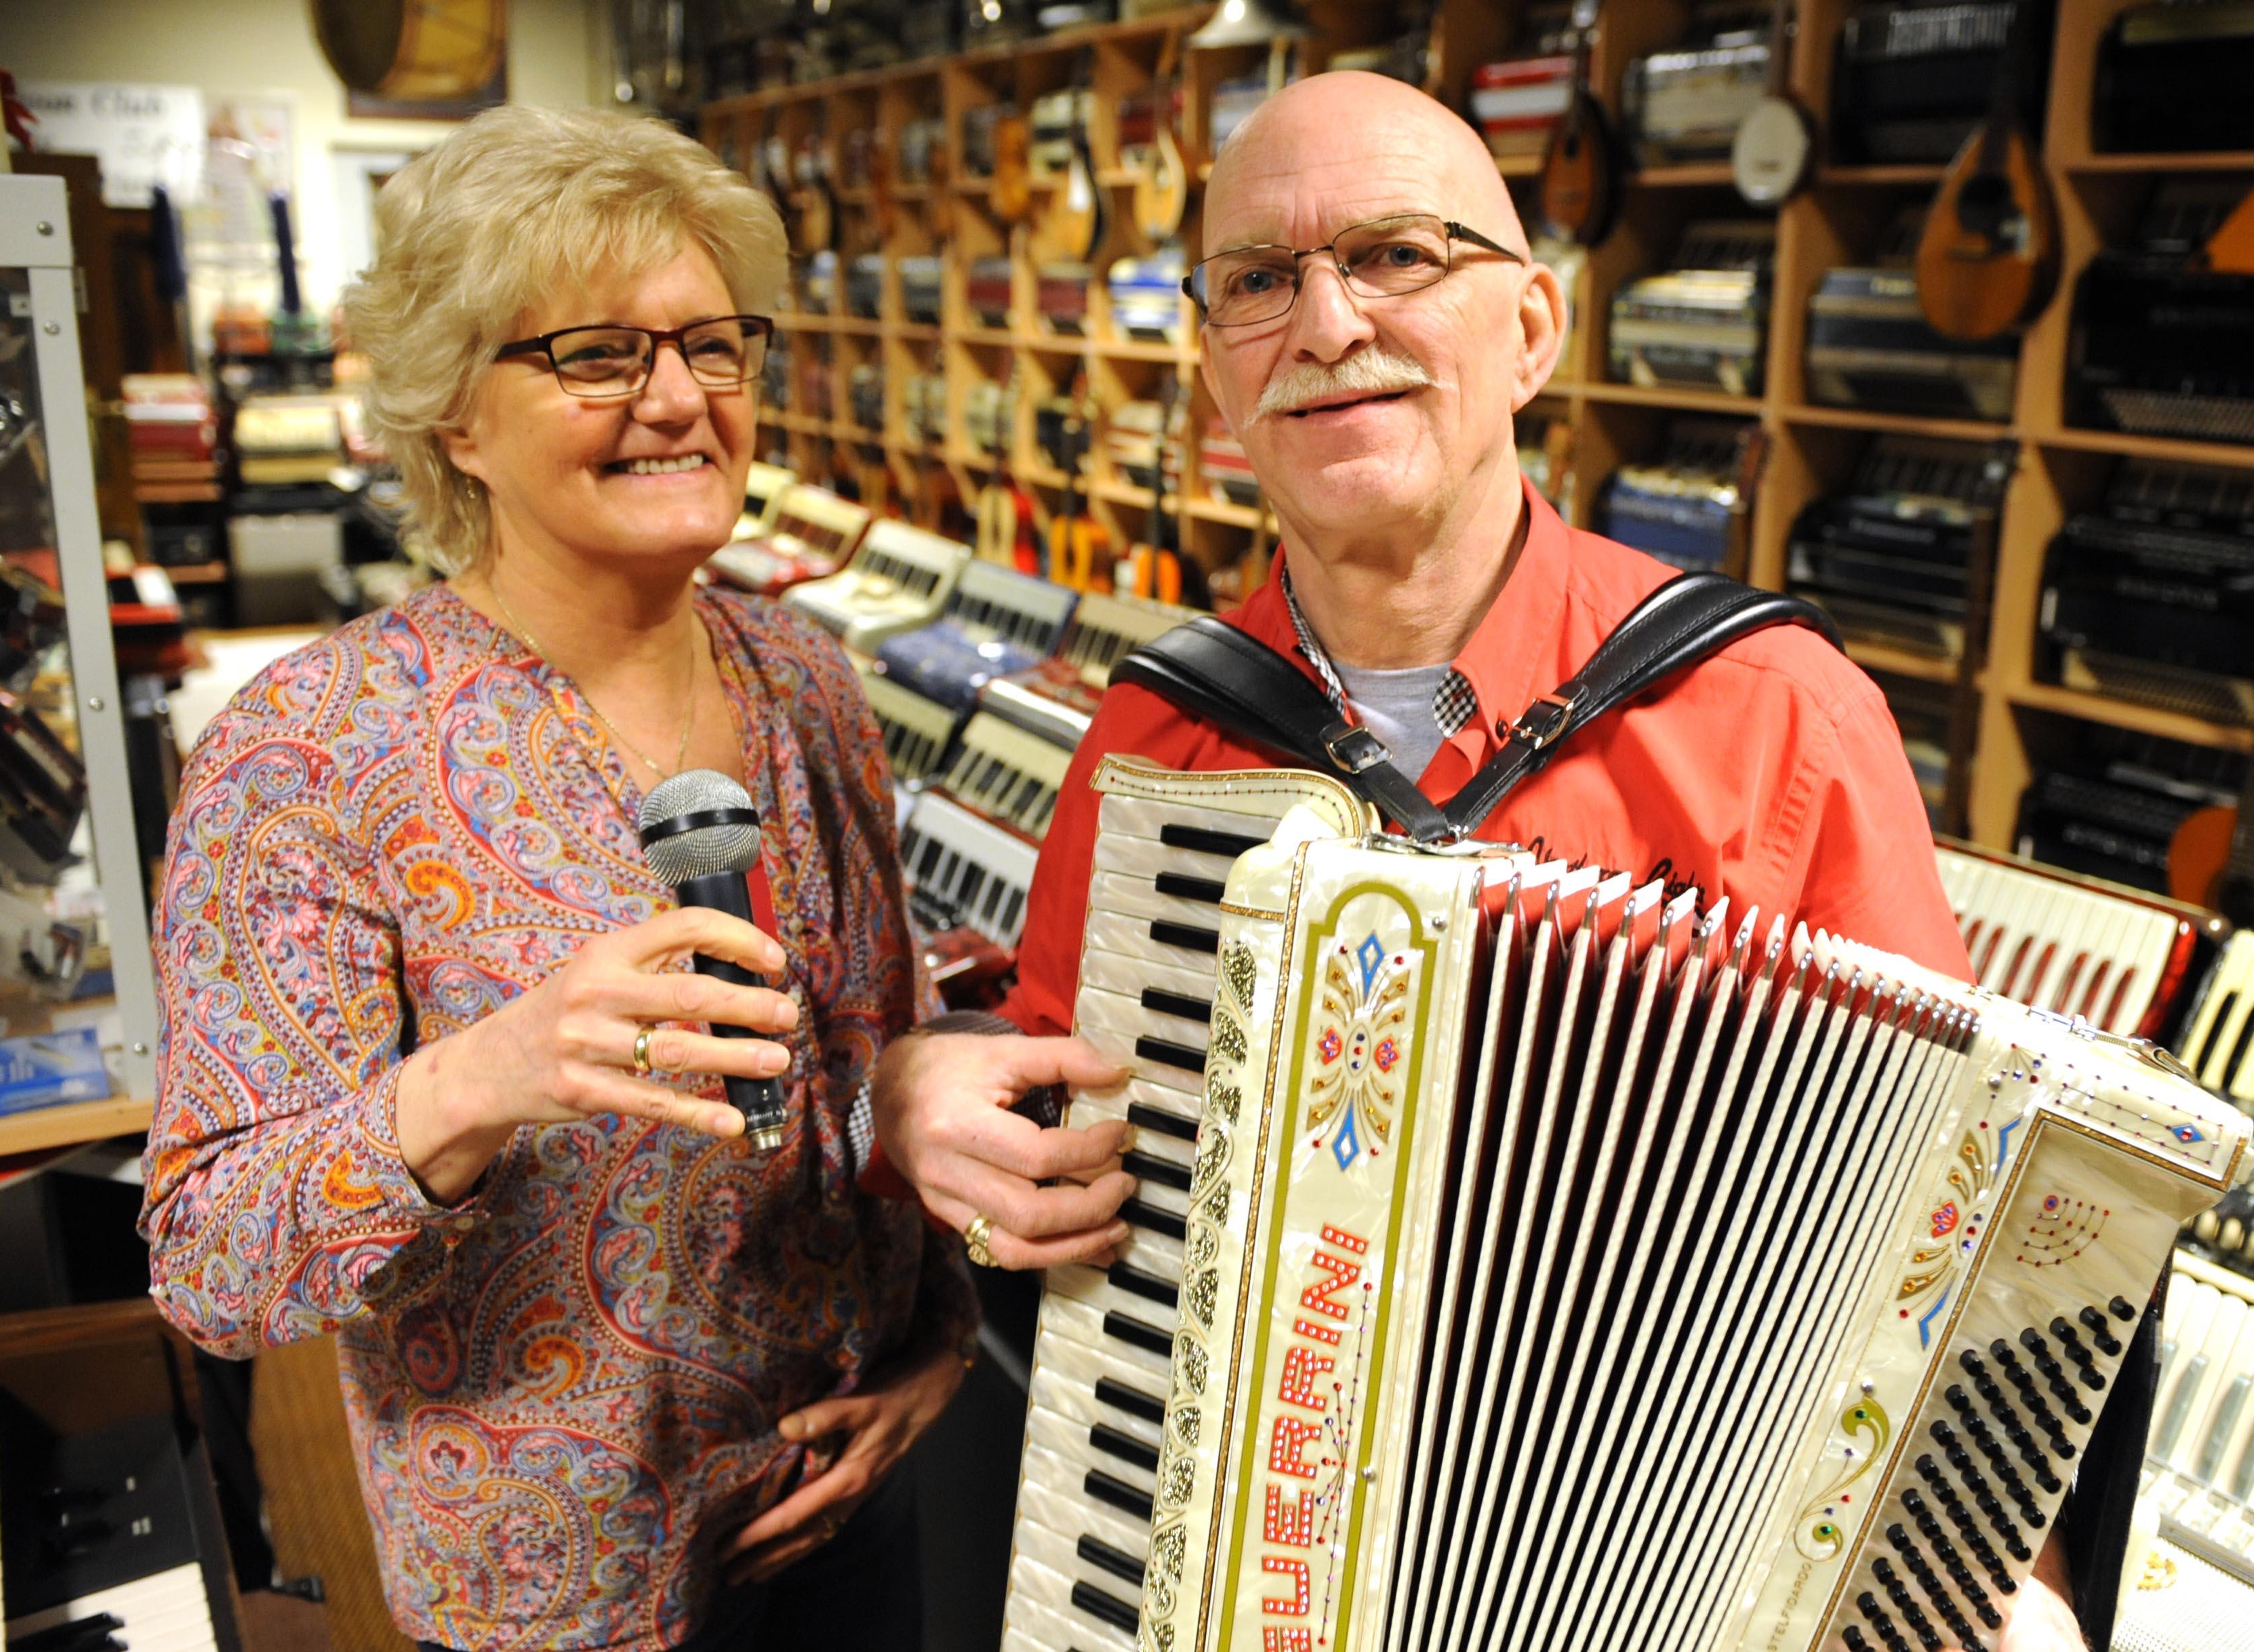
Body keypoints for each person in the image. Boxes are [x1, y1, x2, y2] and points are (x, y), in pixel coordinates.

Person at [861, 72, 2092, 1651]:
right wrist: (925, 1096)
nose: (1323, 324)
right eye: (1259, 280)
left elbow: (1955, 1221)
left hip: (1676, 1583)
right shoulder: (1155, 742)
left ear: (1532, 330)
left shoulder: (1774, 714)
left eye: (1395, 255)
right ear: (1216, 376)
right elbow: (1055, 1131)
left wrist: (1997, 1583)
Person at [140, 105, 965, 1652]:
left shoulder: (808, 677)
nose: (678, 399)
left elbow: (868, 1091)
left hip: (847, 1515)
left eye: (714, 345)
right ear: (456, 415)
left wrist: (936, 1348)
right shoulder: (308, 754)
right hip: (560, 1592)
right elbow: (211, 1263)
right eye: (597, 353)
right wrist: (484, 1074)